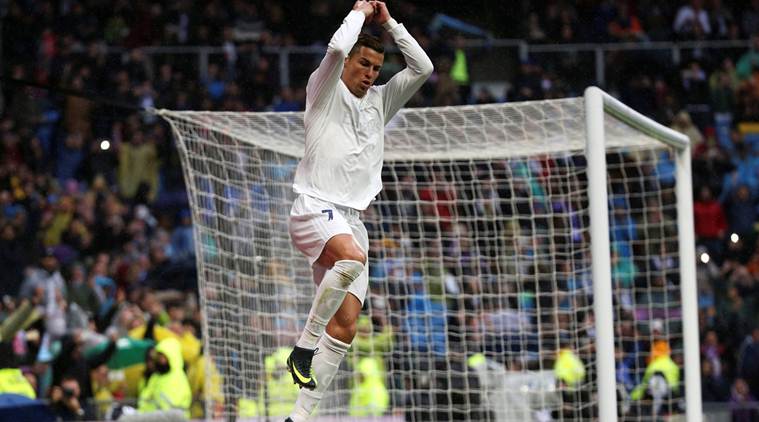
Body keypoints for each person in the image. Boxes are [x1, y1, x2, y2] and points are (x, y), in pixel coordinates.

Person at [285, 0, 433, 420]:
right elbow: (334, 49)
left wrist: (391, 24)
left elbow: (422, 68)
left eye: (375, 68)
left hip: (351, 220)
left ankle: (299, 417)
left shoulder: (380, 102)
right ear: (349, 61)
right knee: (352, 258)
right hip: (314, 207)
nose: (370, 73)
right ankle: (302, 348)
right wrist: (358, 13)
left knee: (348, 324)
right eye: (363, 63)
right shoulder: (324, 89)